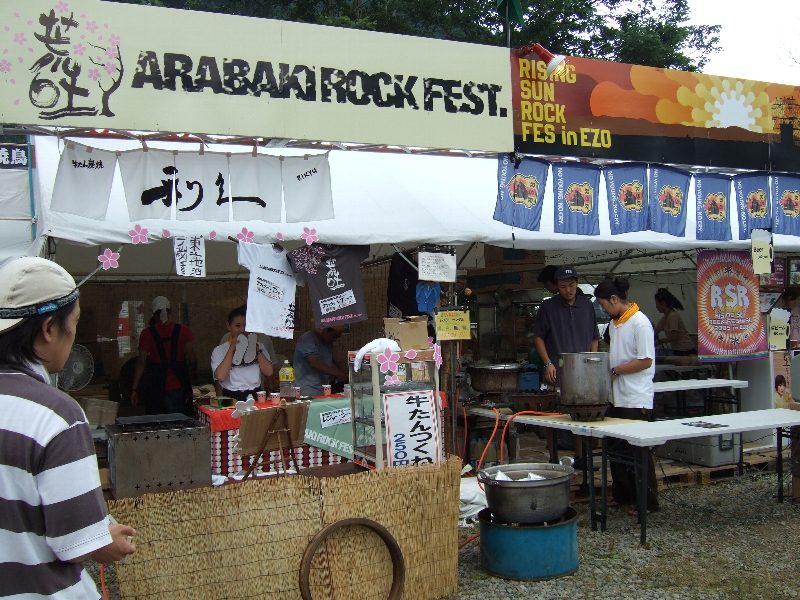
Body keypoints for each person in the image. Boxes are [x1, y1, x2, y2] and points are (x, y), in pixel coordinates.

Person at [0, 257, 135, 598]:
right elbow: (77, 542)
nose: (74, 335)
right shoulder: (55, 415)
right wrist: (109, 541)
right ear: (48, 329)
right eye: (73, 323)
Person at [595, 277, 659, 514]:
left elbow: (645, 361)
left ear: (614, 299)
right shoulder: (614, 324)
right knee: (615, 448)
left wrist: (616, 370)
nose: (602, 309)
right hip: (617, 395)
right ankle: (624, 495)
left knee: (638, 452)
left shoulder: (640, 323)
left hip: (636, 396)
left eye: (603, 304)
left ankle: (649, 503)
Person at [532, 265, 598, 464]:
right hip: (556, 371)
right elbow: (538, 337)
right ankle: (553, 457)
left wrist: (592, 363)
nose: (567, 290)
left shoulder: (587, 306)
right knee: (553, 417)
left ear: (577, 283)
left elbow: (594, 337)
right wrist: (548, 363)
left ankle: (580, 456)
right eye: (562, 286)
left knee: (579, 416)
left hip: (582, 371)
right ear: (556, 286)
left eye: (571, 285)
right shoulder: (548, 306)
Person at [131, 296, 197, 415]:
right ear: (170, 310)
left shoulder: (146, 334)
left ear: (153, 313)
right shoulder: (184, 330)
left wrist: (134, 389)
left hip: (155, 387)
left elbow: (141, 361)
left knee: (157, 424)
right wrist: (194, 373)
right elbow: (192, 358)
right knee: (179, 423)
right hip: (177, 385)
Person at [211, 305, 274, 402]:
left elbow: (269, 371)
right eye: (238, 326)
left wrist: (257, 350)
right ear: (229, 326)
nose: (242, 330)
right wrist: (232, 348)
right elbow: (220, 377)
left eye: (246, 326)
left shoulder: (259, 346)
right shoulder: (219, 350)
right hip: (231, 395)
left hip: (255, 393)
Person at [294, 325, 348, 397]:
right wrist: (338, 374)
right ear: (325, 330)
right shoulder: (308, 339)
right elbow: (314, 362)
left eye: (337, 337)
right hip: (306, 389)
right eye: (334, 336)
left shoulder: (329, 343)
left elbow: (339, 361)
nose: (334, 340)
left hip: (322, 388)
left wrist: (347, 375)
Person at [654, 288, 695, 356]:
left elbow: (674, 336)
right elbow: (655, 331)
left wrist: (660, 341)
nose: (656, 307)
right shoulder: (665, 318)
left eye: (657, 304)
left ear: (663, 303)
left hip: (686, 351)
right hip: (677, 351)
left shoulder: (673, 316)